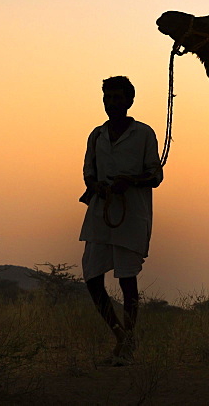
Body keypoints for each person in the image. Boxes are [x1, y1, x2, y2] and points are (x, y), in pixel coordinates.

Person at [79, 75, 163, 364]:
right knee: (91, 276)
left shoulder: (144, 134)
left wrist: (131, 181)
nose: (112, 103)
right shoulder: (96, 135)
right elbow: (88, 172)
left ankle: (127, 343)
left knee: (127, 279)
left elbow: (156, 175)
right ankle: (121, 336)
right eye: (108, 98)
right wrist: (96, 185)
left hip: (132, 215)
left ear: (129, 101)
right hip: (100, 215)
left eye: (117, 98)